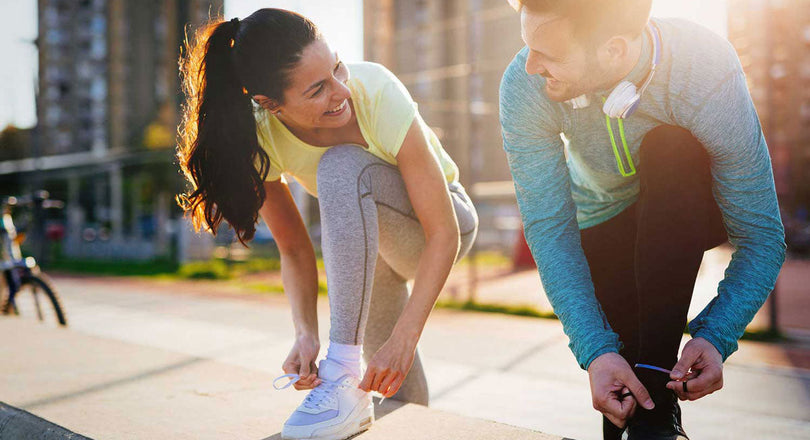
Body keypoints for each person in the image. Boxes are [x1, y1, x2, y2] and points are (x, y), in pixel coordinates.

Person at [176, 8, 478, 440]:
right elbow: (294, 249)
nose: (341, 91)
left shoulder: (374, 90)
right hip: (372, 255)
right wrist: (305, 334)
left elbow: (444, 233)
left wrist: (405, 337)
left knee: (341, 166)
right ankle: (353, 391)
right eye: (318, 89)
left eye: (337, 67)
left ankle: (339, 371)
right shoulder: (260, 136)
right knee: (396, 392)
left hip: (444, 225)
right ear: (269, 104)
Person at [499, 1, 785, 439]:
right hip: (601, 218)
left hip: (686, 205)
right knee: (620, 382)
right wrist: (595, 351)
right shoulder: (524, 84)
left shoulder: (705, 68)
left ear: (614, 51)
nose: (530, 65)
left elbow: (762, 237)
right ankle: (650, 415)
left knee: (672, 147)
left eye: (549, 55)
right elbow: (550, 229)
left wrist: (716, 335)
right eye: (527, 46)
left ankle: (656, 411)